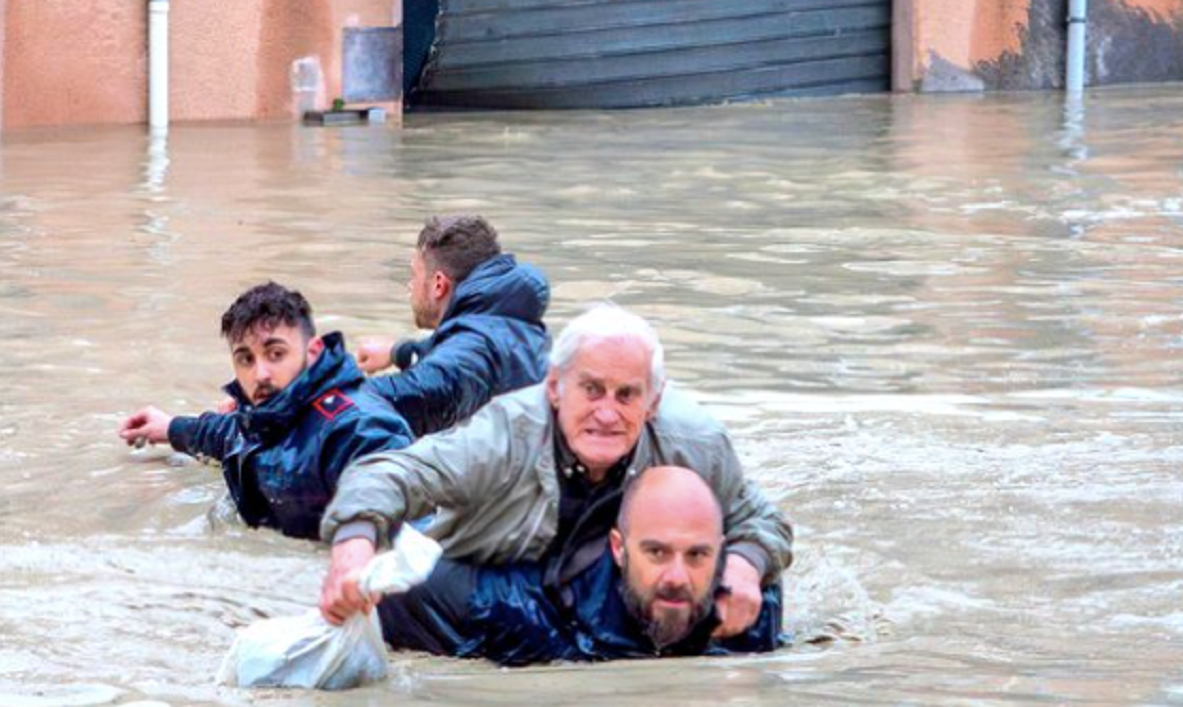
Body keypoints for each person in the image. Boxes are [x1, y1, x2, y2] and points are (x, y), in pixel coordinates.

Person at [319, 304, 791, 640]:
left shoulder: (696, 444)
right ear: (554, 387)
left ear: (654, 401)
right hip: (495, 575)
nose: (607, 414)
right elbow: (389, 474)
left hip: (605, 581)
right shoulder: (503, 436)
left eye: (626, 395)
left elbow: (761, 520)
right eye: (591, 389)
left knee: (757, 598)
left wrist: (746, 566)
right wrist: (352, 549)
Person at [377, 466, 784, 665]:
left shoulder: (748, 611)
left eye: (697, 555)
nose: (678, 577)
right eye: (657, 553)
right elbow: (395, 579)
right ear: (619, 548)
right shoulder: (521, 607)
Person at [117, 282, 412, 541]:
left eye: (275, 354)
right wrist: (169, 428)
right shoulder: (262, 416)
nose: (260, 374)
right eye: (245, 359)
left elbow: (403, 513)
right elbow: (226, 435)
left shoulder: (357, 428)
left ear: (313, 352)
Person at [355, 214, 550, 437]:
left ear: (438, 284)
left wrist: (326, 396)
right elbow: (450, 352)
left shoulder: (474, 348)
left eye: (414, 275)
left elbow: (427, 387)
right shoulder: (509, 322)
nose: (410, 286)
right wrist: (397, 352)